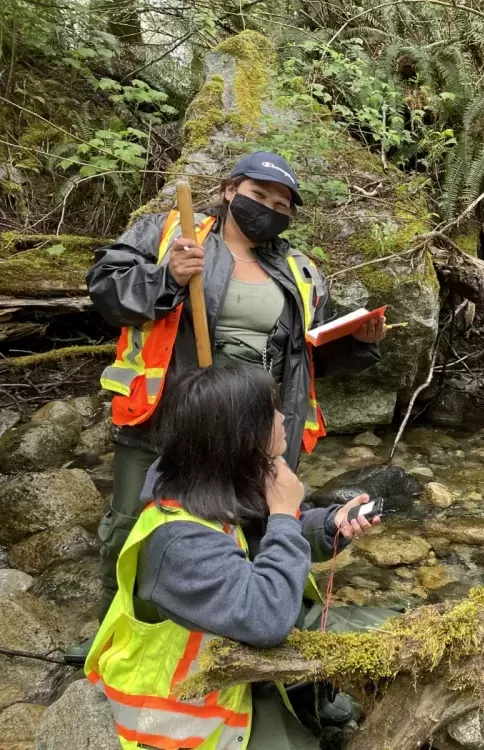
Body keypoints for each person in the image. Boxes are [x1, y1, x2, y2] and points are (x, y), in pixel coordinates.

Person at [70, 152, 386, 663]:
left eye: (281, 204)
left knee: (257, 521)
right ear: (230, 188)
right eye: (259, 196)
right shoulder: (171, 231)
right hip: (168, 414)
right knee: (133, 523)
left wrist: (360, 342)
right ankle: (116, 633)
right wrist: (167, 277)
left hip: (256, 423)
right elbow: (106, 292)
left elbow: (310, 356)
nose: (268, 208)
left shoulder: (300, 269)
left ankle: (247, 629)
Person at [85, 363, 396, 750]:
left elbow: (265, 534)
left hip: (235, 658)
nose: (284, 420)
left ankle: (311, 700)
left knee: (397, 628)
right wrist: (283, 513)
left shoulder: (210, 483)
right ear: (241, 436)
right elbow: (267, 619)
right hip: (187, 711)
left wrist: (330, 524)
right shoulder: (178, 540)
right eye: (272, 413)